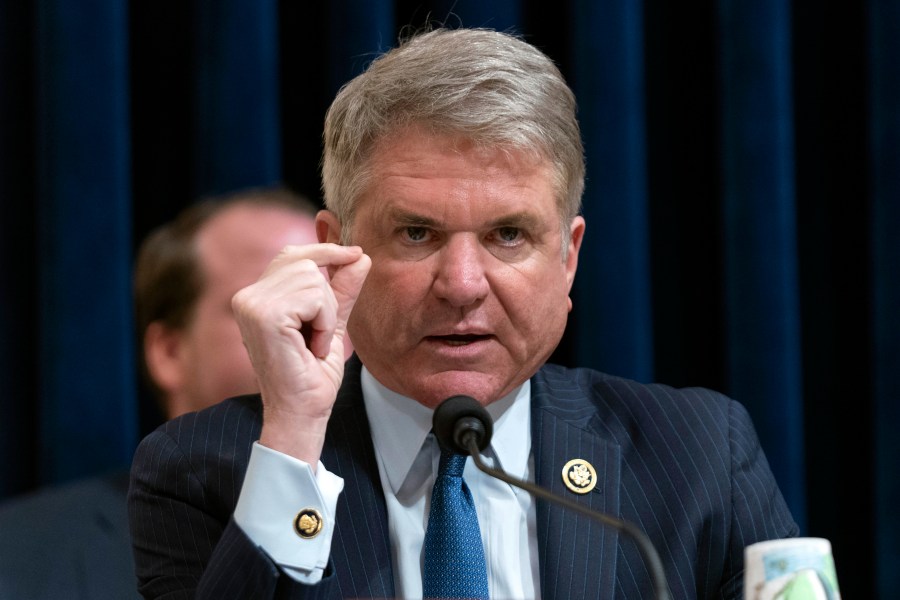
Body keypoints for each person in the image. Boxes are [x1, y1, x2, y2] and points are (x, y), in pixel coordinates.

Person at [128, 28, 798, 600]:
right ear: (334, 251)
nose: (462, 284)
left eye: (509, 235)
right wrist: (297, 434)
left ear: (568, 257)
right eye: (416, 234)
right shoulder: (202, 468)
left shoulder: (701, 455)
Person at [0, 186, 325, 599]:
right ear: (169, 352)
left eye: (333, 305)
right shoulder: (18, 558)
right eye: (276, 302)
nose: (321, 333)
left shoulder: (417, 532)